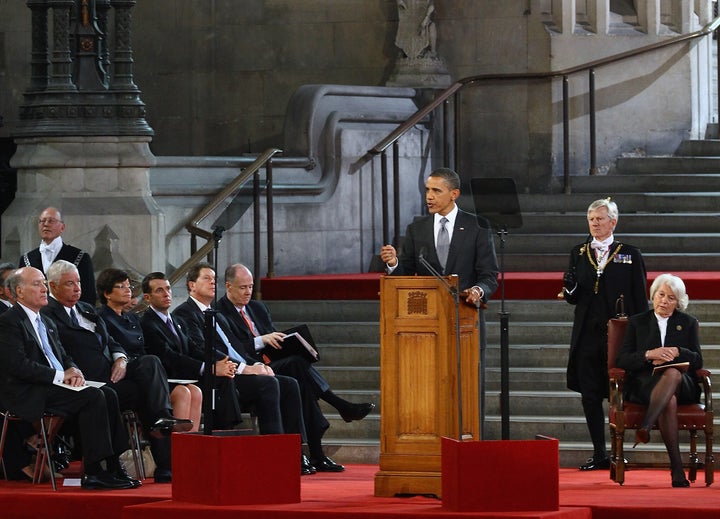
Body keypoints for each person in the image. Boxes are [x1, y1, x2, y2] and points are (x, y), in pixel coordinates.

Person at [42, 260, 192, 483]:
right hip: (86, 383)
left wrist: (120, 359)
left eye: (79, 282)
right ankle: (152, 461)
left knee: (149, 363)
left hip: (111, 375)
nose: (77, 288)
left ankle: (163, 423)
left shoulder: (87, 309)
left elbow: (112, 342)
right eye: (69, 284)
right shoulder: (47, 314)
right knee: (144, 395)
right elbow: (58, 352)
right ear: (52, 287)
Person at [216, 263, 375, 472]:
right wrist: (261, 340)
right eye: (242, 287)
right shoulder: (220, 313)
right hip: (250, 371)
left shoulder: (258, 308)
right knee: (298, 369)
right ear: (228, 286)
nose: (248, 292)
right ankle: (336, 412)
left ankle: (314, 454)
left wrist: (298, 345)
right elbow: (234, 350)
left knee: (302, 381)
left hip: (272, 363)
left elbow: (275, 342)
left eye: (251, 287)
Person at [0, 267, 136, 489]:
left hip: (53, 385)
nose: (44, 288)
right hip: (28, 391)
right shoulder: (8, 321)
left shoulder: (45, 321)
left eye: (44, 283)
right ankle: (92, 471)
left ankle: (112, 465)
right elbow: (17, 366)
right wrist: (60, 376)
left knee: (108, 394)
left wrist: (74, 370)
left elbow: (64, 355)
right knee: (93, 397)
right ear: (19, 291)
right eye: (37, 284)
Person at [171, 264, 313, 474]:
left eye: (214, 279)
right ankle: (274, 455)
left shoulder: (216, 314)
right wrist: (245, 368)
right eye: (206, 279)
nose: (213, 283)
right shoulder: (184, 313)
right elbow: (201, 350)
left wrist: (256, 364)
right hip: (219, 376)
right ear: (192, 285)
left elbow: (236, 347)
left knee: (289, 384)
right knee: (268, 384)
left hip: (239, 369)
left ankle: (296, 453)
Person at [562, 198, 648, 471]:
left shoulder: (630, 254)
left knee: (617, 395)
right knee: (589, 394)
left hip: (618, 336)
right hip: (587, 332)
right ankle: (599, 453)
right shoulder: (578, 252)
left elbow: (639, 299)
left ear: (613, 221)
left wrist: (639, 337)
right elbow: (573, 296)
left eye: (600, 218)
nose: (595, 223)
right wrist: (569, 290)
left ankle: (618, 451)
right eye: (591, 219)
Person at [379, 167, 499, 350]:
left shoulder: (477, 226)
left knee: (469, 376)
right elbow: (406, 275)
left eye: (436, 191)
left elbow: (489, 275)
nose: (429, 196)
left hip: (465, 317)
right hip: (427, 319)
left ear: (454, 194)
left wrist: (477, 290)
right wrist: (394, 263)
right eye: (427, 190)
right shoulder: (416, 229)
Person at [616, 274, 702, 487]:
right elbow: (623, 359)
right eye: (661, 295)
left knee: (673, 374)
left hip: (683, 384)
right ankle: (677, 470)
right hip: (646, 383)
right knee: (668, 401)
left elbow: (698, 360)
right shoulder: (637, 322)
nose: (664, 301)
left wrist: (678, 351)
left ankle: (646, 425)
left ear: (678, 302)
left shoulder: (688, 323)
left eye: (671, 298)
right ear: (653, 295)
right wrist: (648, 354)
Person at [96, 268, 202, 432]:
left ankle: (188, 451)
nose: (128, 291)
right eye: (121, 287)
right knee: (152, 361)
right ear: (107, 293)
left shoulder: (131, 317)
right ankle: (161, 417)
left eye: (129, 287)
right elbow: (109, 347)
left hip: (143, 371)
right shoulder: (101, 317)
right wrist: (123, 360)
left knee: (193, 390)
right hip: (121, 373)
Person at [139, 272, 242, 430]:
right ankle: (191, 442)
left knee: (218, 381)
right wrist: (208, 368)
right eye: (159, 290)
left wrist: (217, 363)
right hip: (168, 378)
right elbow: (169, 356)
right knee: (191, 391)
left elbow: (193, 348)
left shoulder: (176, 320)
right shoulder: (147, 323)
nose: (166, 294)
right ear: (147, 298)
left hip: (186, 375)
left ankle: (227, 431)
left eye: (168, 289)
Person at [19, 207, 97, 305]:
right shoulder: (27, 258)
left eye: (51, 221)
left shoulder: (80, 257)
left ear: (62, 227)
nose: (46, 224)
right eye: (42, 221)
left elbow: (88, 295)